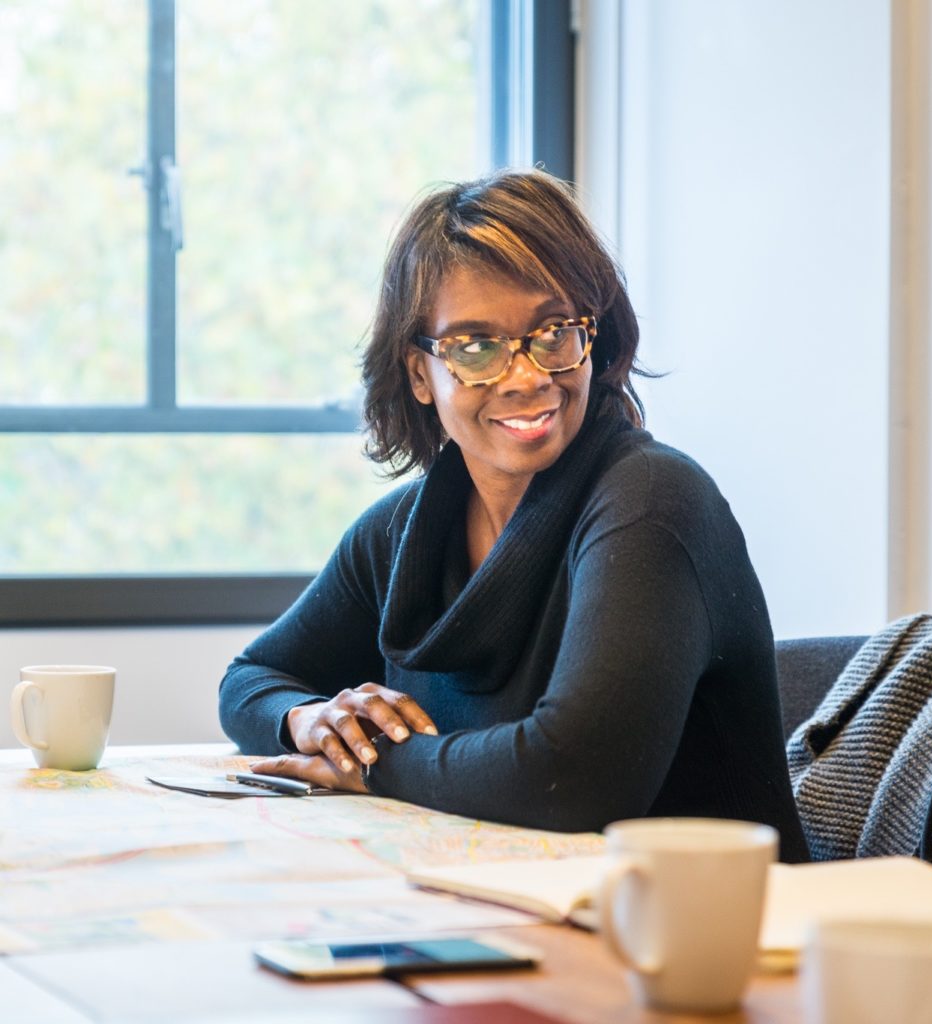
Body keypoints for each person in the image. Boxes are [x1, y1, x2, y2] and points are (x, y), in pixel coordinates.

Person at [219, 169, 808, 863]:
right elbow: (250, 681)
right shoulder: (400, 530)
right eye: (475, 347)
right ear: (418, 373)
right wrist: (312, 721)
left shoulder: (651, 504)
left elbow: (571, 779)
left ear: (594, 335)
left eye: (552, 332)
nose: (526, 376)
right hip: (501, 911)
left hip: (709, 943)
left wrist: (374, 763)